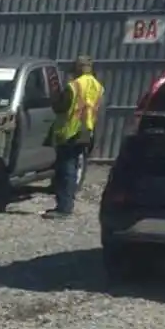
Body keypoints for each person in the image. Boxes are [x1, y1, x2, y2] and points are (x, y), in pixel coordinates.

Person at [45, 54, 104, 218]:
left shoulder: (74, 86)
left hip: (71, 132)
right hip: (87, 130)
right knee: (73, 168)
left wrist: (54, 95)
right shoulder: (97, 86)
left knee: (66, 170)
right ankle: (66, 205)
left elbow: (59, 107)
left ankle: (64, 207)